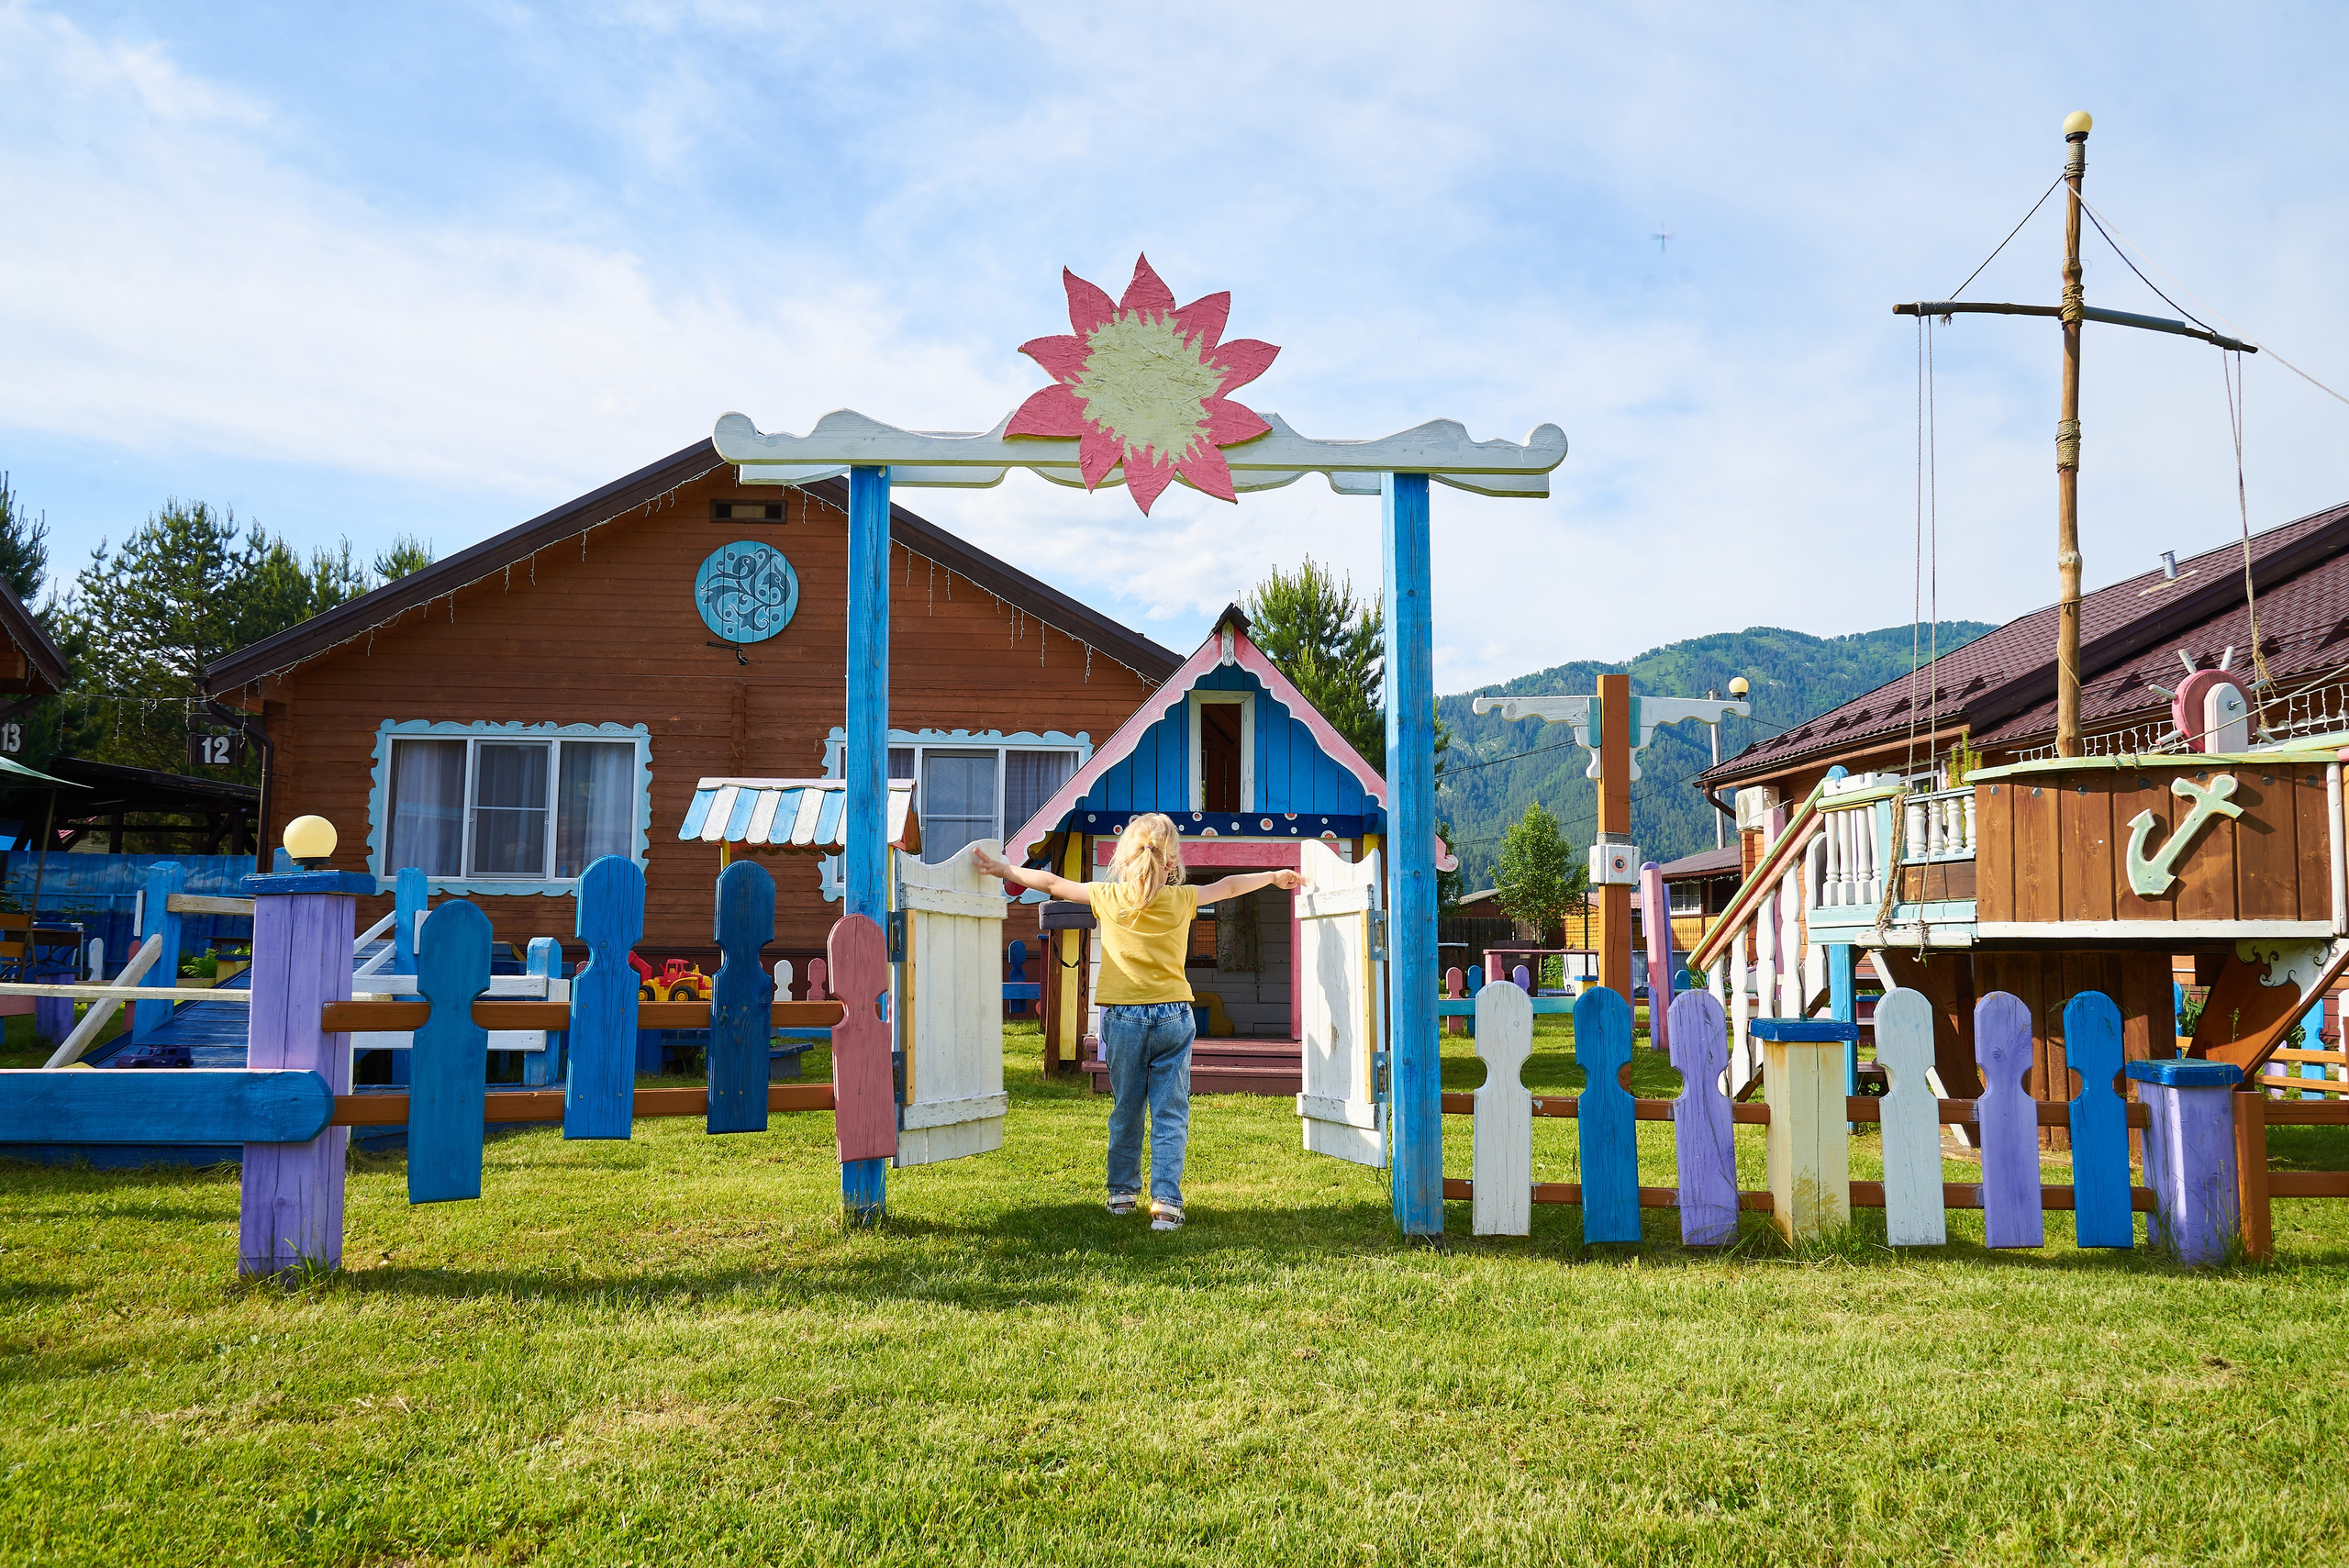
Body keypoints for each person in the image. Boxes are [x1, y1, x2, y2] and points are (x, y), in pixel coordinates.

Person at [974, 813, 1303, 1230]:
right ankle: (1166, 1206)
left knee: (1126, 1107)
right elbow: (1231, 886)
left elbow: (1053, 885)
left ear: (1125, 859)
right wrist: (1274, 875)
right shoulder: (1183, 899)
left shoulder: (1108, 896)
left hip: (1124, 1017)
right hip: (1174, 1016)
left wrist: (1003, 869)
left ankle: (1122, 1195)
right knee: (1170, 1112)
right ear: (1172, 864)